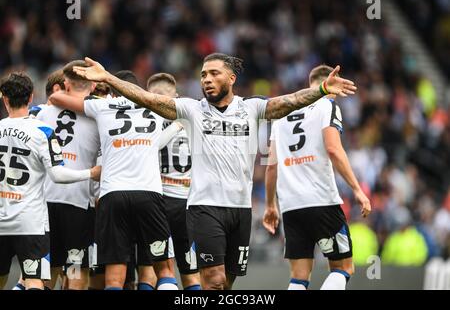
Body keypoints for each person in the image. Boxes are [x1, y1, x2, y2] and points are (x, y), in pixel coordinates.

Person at [67, 53, 356, 290]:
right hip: (204, 208)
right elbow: (148, 99)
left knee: (226, 283)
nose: (207, 79)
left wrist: (320, 90)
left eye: (214, 73)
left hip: (240, 209)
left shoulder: (251, 108)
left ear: (232, 78)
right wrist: (109, 79)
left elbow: (288, 102)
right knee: (213, 281)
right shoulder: (191, 110)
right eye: (204, 74)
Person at [49, 70, 177, 290]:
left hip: (112, 196)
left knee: (113, 280)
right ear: (139, 90)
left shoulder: (101, 107)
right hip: (149, 194)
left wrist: (95, 95)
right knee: (164, 270)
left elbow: (56, 97)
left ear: (111, 92)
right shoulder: (156, 107)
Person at [263, 65, 371, 290]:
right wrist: (358, 190)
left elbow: (271, 166)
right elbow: (333, 148)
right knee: (343, 268)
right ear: (331, 83)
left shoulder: (282, 114)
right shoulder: (327, 104)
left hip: (290, 206)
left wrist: (270, 205)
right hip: (321, 201)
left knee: (299, 277)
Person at [0, 72, 100, 290]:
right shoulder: (96, 115)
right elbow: (58, 173)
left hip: (24, 210)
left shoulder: (41, 113)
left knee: (39, 273)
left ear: (4, 98)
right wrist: (92, 173)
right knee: (68, 271)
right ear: (30, 97)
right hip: (55, 212)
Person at [35, 60, 101, 290]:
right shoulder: (99, 117)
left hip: (45, 203)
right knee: (75, 271)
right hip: (78, 205)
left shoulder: (41, 114)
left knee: (47, 270)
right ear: (93, 86)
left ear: (65, 84)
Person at [147, 73, 201, 290]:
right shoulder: (194, 121)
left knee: (157, 271)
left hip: (159, 200)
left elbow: (153, 145)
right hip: (187, 202)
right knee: (190, 273)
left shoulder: (146, 121)